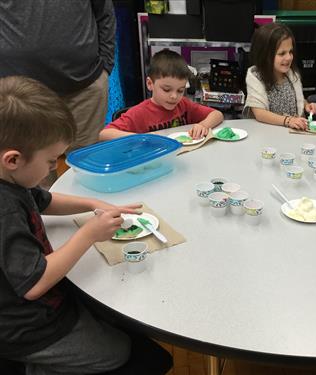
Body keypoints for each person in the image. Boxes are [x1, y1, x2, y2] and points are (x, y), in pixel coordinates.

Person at [0, 76, 172, 375]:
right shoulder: (4, 208)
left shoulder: (13, 179)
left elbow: (46, 200)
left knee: (118, 325)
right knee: (119, 353)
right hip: (28, 328)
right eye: (51, 160)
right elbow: (34, 283)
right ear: (13, 159)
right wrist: (88, 234)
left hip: (46, 305)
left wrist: (95, 204)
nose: (54, 168)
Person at [0, 0, 115, 153]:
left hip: (85, 85)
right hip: (20, 95)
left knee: (87, 163)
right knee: (32, 164)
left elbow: (104, 13)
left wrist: (105, 65)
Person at [100, 49, 224, 141]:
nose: (174, 96)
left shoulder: (183, 104)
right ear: (150, 84)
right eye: (166, 89)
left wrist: (203, 125)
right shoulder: (140, 113)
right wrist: (141, 137)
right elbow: (104, 134)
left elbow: (217, 115)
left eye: (180, 90)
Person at [243, 22, 316, 130]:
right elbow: (259, 113)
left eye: (290, 52)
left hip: (292, 135)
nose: (289, 57)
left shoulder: (291, 75)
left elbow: (296, 98)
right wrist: (288, 120)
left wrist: (306, 105)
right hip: (266, 137)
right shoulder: (255, 77)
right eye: (282, 53)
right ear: (265, 55)